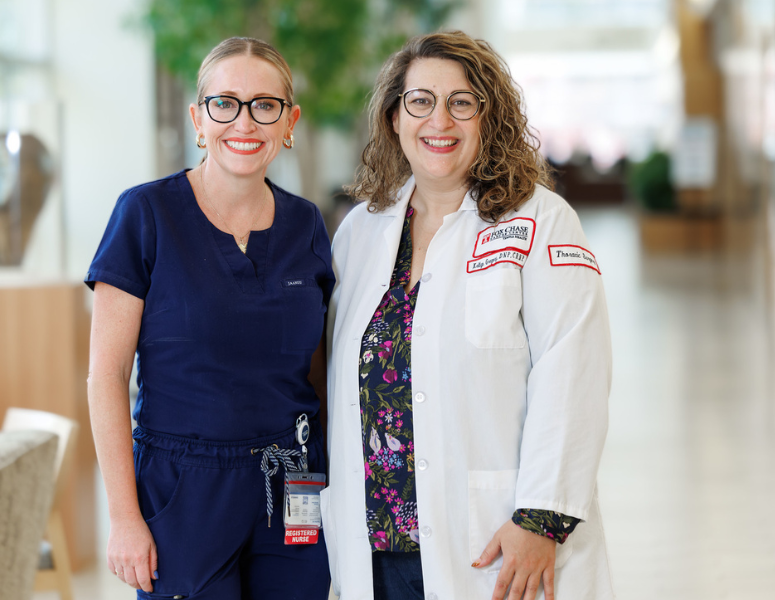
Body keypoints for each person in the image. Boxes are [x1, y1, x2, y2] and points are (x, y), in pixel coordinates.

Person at [322, 31, 613, 600]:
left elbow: (574, 369)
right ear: (394, 118)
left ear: (489, 117)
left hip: (496, 543)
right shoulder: (361, 231)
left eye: (462, 102)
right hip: (377, 546)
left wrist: (541, 518)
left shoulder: (540, 220)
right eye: (421, 101)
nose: (440, 120)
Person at [85, 37, 333, 600]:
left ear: (289, 121)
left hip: (294, 480)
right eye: (224, 103)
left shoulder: (307, 224)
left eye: (264, 105)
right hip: (184, 488)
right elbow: (106, 377)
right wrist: (124, 517)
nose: (244, 122)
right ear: (199, 118)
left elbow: (318, 372)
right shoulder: (145, 214)